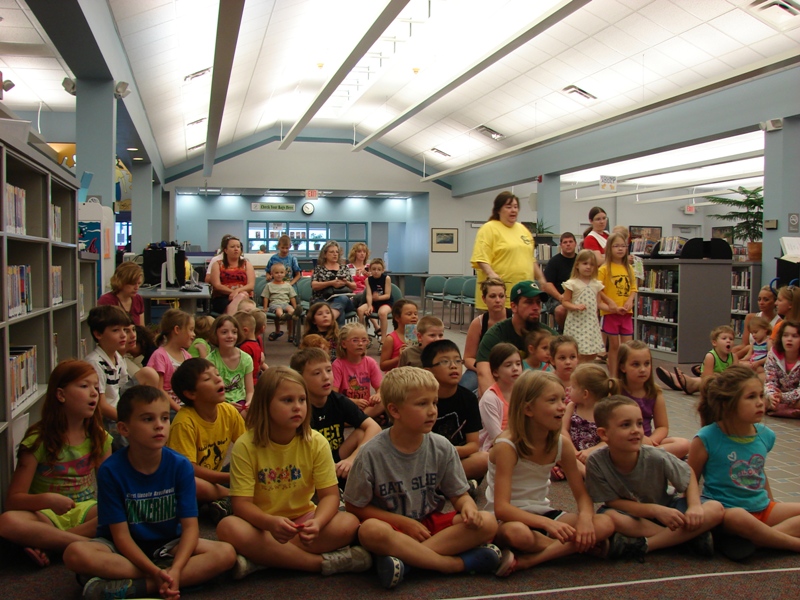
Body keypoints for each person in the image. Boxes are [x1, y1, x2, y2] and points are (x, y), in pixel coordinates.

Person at [63, 386, 236, 598]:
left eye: (164, 418)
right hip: (121, 548)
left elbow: (191, 529)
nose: (159, 426)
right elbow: (121, 536)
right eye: (147, 419)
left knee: (226, 553)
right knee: (75, 554)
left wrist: (177, 568)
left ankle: (137, 586)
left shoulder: (180, 466)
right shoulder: (111, 471)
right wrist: (155, 571)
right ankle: (165, 579)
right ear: (124, 429)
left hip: (168, 544)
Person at [344, 367, 501, 589]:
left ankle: (407, 562)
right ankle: (452, 564)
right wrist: (403, 522)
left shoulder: (442, 446)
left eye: (434, 403)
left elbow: (459, 495)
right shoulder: (371, 452)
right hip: (392, 527)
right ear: (394, 410)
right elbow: (354, 506)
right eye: (422, 404)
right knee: (371, 531)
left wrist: (468, 508)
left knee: (487, 522)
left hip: (428, 526)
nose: (432, 411)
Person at [216, 367, 370, 579]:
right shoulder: (246, 445)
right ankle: (317, 564)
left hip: (303, 521)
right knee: (228, 527)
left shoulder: (316, 442)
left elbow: (330, 496)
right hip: (262, 525)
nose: (297, 407)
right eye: (287, 400)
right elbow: (241, 504)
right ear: (264, 405)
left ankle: (264, 558)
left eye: (302, 400)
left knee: (349, 523)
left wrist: (317, 523)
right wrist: (269, 523)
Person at [486, 371, 614, 575]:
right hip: (509, 519)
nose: (562, 406)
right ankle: (577, 547)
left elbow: (582, 495)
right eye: (552, 400)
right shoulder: (506, 446)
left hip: (542, 512)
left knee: (605, 523)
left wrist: (585, 519)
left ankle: (532, 559)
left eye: (563, 399)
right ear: (528, 409)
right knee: (518, 534)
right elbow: (502, 508)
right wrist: (547, 524)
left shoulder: (561, 444)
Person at [0, 361, 111, 568]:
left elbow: (109, 492)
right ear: (60, 395)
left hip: (86, 511)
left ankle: (51, 544)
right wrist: (48, 500)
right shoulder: (38, 440)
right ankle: (86, 544)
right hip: (45, 514)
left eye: (96, 387)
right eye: (84, 386)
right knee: (7, 522)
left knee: (124, 510)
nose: (94, 393)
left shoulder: (100, 437)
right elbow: (13, 501)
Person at [585, 396, 724, 561]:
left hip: (670, 510)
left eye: (639, 423)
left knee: (715, 508)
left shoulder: (656, 456)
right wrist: (655, 510)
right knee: (609, 517)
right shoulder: (596, 462)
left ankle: (646, 545)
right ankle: (686, 538)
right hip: (635, 517)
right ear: (604, 433)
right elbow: (612, 502)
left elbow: (689, 475)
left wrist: (694, 506)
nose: (636, 430)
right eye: (625, 425)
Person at [689, 366, 800, 559]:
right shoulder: (707, 437)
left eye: (761, 395)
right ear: (728, 404)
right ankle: (791, 543)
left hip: (761, 508)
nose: (760, 403)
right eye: (751, 397)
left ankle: (758, 540)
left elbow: (759, 471)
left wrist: (771, 502)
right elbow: (689, 476)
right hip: (727, 513)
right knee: (738, 517)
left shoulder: (765, 435)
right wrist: (694, 507)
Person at [168, 358, 246, 523]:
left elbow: (248, 447)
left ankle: (222, 503)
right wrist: (230, 478)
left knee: (250, 461)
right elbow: (189, 469)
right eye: (207, 378)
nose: (218, 379)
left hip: (215, 480)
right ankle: (233, 497)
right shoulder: (184, 422)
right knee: (191, 483)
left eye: (217, 374)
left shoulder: (229, 412)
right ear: (191, 393)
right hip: (191, 484)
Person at [290, 348, 381, 481]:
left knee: (362, 433)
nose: (326, 377)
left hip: (335, 459)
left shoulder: (337, 400)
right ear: (300, 379)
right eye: (317, 373)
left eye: (328, 370)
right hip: (308, 465)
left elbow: (375, 428)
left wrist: (351, 459)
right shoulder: (298, 408)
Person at [86, 306, 158, 449]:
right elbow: (101, 407)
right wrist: (131, 420)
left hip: (119, 410)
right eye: (115, 330)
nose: (123, 335)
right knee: (140, 442)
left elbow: (124, 392)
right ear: (98, 334)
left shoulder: (118, 357)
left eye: (124, 330)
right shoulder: (95, 362)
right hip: (106, 420)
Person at [422, 339, 488, 482]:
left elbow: (473, 445)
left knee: (483, 459)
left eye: (458, 361)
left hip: (454, 458)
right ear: (428, 371)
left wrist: (449, 452)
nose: (453, 366)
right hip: (424, 460)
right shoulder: (421, 399)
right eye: (445, 362)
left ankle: (439, 484)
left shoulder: (469, 398)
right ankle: (452, 485)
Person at [475, 280, 555, 395]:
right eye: (529, 302)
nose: (536, 307)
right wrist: (502, 402)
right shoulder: (496, 334)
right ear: (514, 306)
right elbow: (484, 374)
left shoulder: (548, 335)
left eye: (538, 302)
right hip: (505, 395)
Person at [471, 191, 547, 311]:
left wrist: (541, 279)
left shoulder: (523, 230)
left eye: (515, 207)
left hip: (524, 293)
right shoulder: (489, 228)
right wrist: (492, 275)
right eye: (508, 207)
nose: (513, 210)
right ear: (498, 210)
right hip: (499, 294)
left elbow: (531, 259)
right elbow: (481, 258)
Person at [618, 341, 689, 459]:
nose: (643, 369)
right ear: (622, 367)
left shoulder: (655, 392)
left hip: (648, 441)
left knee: (683, 444)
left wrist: (650, 441)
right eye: (636, 364)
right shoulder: (615, 390)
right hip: (623, 440)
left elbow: (662, 427)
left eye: (647, 364)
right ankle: (648, 457)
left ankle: (645, 455)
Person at [562, 364, 618, 477]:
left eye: (573, 387)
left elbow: (608, 440)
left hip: (595, 456)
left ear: (585, 394)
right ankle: (581, 471)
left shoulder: (604, 412)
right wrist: (573, 451)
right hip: (572, 453)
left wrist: (590, 451)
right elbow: (562, 430)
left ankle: (586, 472)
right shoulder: (572, 406)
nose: (568, 389)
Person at [597, 232, 636, 378]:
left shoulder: (629, 268)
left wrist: (630, 300)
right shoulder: (604, 269)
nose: (620, 249)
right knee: (614, 346)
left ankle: (625, 377)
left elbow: (633, 288)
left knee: (627, 347)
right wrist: (610, 302)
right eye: (616, 246)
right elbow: (598, 289)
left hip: (626, 313)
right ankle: (613, 376)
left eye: (623, 246)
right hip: (611, 313)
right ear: (609, 248)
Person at [659, 325, 738, 395]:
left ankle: (687, 383)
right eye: (724, 338)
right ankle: (689, 383)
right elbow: (707, 379)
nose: (728, 341)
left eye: (731, 339)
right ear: (714, 343)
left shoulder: (734, 357)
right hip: (714, 383)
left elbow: (737, 375)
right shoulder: (711, 356)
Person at [462, 278, 511, 393]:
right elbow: (468, 358)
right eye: (492, 296)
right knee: (462, 391)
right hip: (482, 367)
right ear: (484, 299)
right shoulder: (478, 323)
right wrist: (485, 370)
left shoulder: (515, 320)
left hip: (511, 369)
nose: (498, 300)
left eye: (501, 296)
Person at [561, 249, 609, 363]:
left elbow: (599, 303)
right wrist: (575, 307)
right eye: (585, 263)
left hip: (591, 324)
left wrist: (613, 309)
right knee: (578, 352)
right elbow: (565, 302)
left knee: (592, 353)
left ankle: (586, 371)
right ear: (577, 265)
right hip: (577, 324)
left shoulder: (596, 284)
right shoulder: (572, 283)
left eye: (592, 264)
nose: (588, 267)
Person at [147, 308, 195, 414]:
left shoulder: (187, 356)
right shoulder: (160, 355)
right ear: (177, 330)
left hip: (185, 406)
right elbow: (159, 389)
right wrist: (180, 410)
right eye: (191, 330)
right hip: (167, 409)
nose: (194, 334)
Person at [332, 323, 383, 419]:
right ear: (344, 344)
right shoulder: (337, 365)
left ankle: (358, 419)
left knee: (384, 400)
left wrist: (378, 395)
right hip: (346, 406)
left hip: (365, 406)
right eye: (355, 340)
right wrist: (353, 402)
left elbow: (381, 388)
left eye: (364, 340)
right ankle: (365, 419)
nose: (360, 344)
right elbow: (334, 394)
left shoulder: (370, 362)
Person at [478, 343, 522, 452]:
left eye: (518, 364)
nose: (515, 368)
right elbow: (497, 438)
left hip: (520, 443)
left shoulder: (523, 392)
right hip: (495, 449)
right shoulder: (490, 399)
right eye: (508, 365)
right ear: (495, 372)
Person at [207, 315, 254, 413]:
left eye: (234, 332)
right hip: (219, 403)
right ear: (216, 334)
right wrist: (225, 405)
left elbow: (250, 391)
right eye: (224, 332)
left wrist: (249, 402)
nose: (230, 336)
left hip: (241, 402)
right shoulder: (210, 361)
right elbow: (210, 393)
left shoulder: (246, 359)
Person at [311, 241, 356, 327]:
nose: (335, 254)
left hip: (344, 299)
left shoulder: (344, 268)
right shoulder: (319, 268)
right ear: (325, 254)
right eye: (331, 252)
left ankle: (329, 320)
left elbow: (354, 286)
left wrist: (346, 282)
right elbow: (314, 285)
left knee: (342, 299)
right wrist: (331, 283)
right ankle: (337, 334)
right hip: (323, 299)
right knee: (340, 311)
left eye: (337, 252)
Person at [209, 235, 255, 315]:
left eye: (238, 247)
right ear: (225, 250)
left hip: (245, 296)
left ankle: (230, 319)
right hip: (223, 298)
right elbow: (217, 285)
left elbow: (251, 285)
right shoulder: (217, 265)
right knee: (244, 304)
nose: (236, 249)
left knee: (244, 300)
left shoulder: (247, 264)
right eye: (232, 247)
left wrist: (237, 291)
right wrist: (234, 293)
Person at [765, 319, 800, 418]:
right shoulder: (773, 354)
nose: (789, 339)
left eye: (795, 336)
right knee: (762, 399)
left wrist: (784, 397)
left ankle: (779, 410)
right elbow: (770, 381)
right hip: (778, 395)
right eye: (785, 335)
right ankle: (787, 410)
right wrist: (772, 396)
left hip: (795, 397)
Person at [542, 232, 578, 330]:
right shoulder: (554, 262)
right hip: (557, 298)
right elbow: (547, 285)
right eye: (565, 242)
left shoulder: (580, 261)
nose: (568, 244)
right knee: (561, 310)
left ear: (575, 244)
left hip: (577, 295)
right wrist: (560, 297)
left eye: (570, 242)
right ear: (561, 245)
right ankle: (564, 331)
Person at [733, 286, 779, 360]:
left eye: (766, 300)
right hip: (749, 355)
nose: (761, 303)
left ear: (775, 302)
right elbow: (744, 344)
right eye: (759, 299)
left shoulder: (779, 322)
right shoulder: (750, 317)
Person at [357, 258, 393, 341]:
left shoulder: (387, 278)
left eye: (379, 269)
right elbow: (369, 295)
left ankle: (383, 339)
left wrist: (378, 298)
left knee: (382, 313)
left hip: (385, 302)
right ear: (370, 270)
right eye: (373, 269)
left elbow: (387, 295)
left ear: (383, 270)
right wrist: (369, 306)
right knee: (360, 310)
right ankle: (363, 335)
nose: (376, 271)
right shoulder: (368, 280)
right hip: (373, 302)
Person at [380, 299, 419, 372]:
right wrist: (399, 357)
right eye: (409, 314)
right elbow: (383, 366)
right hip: (397, 377)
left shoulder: (419, 336)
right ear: (397, 318)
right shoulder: (391, 339)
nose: (414, 316)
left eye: (415, 314)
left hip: (414, 375)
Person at [262, 262, 297, 341]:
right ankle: (282, 317)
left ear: (285, 273)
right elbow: (266, 297)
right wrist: (265, 307)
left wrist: (295, 307)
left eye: (281, 272)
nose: (279, 275)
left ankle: (291, 332)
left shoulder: (288, 285)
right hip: (275, 304)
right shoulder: (269, 285)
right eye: (276, 273)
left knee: (290, 310)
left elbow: (292, 297)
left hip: (285, 303)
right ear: (272, 274)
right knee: (278, 309)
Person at [235, 311, 267, 383]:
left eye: (235, 332)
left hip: (248, 381)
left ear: (245, 330)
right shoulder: (256, 343)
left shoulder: (246, 347)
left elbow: (244, 369)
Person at [549, 335, 579, 402]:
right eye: (562, 358)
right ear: (552, 360)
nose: (568, 362)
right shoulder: (548, 381)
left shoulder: (582, 381)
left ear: (578, 358)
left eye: (572, 357)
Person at [346, 242, 370, 308]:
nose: (362, 254)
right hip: (352, 294)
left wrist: (369, 277)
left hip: (367, 293)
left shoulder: (369, 267)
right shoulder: (348, 267)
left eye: (364, 252)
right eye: (359, 251)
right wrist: (356, 277)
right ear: (354, 253)